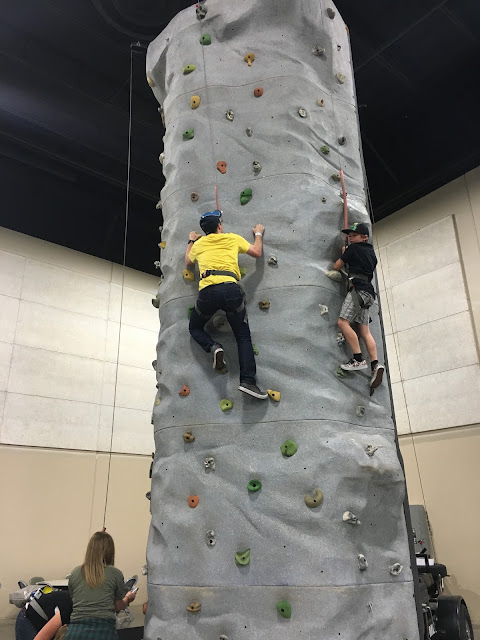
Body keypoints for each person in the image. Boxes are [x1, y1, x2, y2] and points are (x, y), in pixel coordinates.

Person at [186, 209, 268, 399]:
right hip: (231, 289)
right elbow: (256, 252)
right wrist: (258, 234)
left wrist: (191, 240)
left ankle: (213, 346)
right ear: (220, 226)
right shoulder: (232, 238)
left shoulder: (200, 243)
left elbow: (188, 262)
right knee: (242, 336)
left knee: (195, 327)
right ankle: (248, 381)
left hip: (207, 292)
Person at [333, 222, 385, 388]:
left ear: (364, 237)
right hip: (369, 294)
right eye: (350, 236)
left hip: (358, 291)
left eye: (354, 235)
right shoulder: (372, 254)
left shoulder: (353, 249)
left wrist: (345, 254)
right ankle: (375, 364)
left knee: (343, 322)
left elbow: (337, 266)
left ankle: (358, 359)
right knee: (364, 330)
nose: (351, 238)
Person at [63, 531, 136, 640]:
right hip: (103, 632)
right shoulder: (115, 573)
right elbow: (117, 606)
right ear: (110, 552)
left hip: (75, 632)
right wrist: (128, 598)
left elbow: (75, 602)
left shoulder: (75, 573)